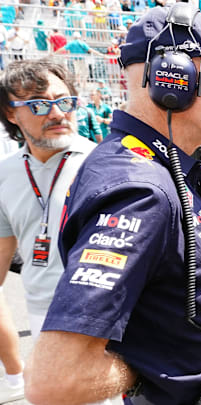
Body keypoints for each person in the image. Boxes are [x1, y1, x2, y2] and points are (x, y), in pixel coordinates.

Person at [23, 6, 201, 405]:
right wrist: (150, 369)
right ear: (175, 79)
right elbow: (55, 380)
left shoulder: (161, 165)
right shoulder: (140, 189)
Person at [0, 59, 97, 403]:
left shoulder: (103, 163)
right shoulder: (5, 173)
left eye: (65, 101)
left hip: (99, 320)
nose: (57, 113)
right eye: (39, 104)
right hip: (41, 315)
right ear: (11, 113)